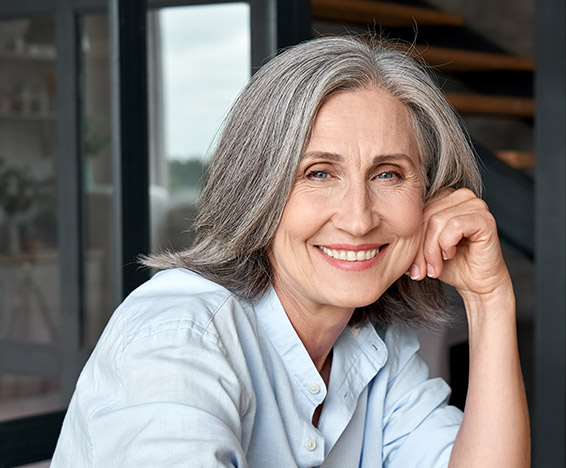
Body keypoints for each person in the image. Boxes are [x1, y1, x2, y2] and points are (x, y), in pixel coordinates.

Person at [51, 35, 529, 467]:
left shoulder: (379, 346)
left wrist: (490, 299)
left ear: (427, 199)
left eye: (388, 174)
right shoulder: (179, 338)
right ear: (257, 188)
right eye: (318, 173)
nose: (358, 218)